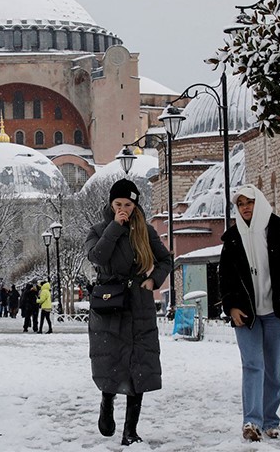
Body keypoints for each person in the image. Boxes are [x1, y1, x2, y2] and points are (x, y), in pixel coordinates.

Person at [218, 184, 280, 442]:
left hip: (276, 311)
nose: (246, 207)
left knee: (272, 368)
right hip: (246, 314)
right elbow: (224, 277)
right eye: (240, 204)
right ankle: (251, 421)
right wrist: (231, 306)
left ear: (258, 202)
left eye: (249, 202)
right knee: (252, 365)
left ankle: (271, 420)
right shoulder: (232, 238)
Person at [86, 178, 173, 446]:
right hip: (110, 305)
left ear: (135, 205)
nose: (123, 208)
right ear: (111, 205)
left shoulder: (145, 231)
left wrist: (153, 280)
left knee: (139, 366)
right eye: (118, 204)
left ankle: (130, 431)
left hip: (139, 305)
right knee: (112, 362)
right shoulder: (99, 229)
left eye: (128, 204)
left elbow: (166, 259)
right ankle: (107, 401)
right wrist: (115, 227)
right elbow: (98, 257)